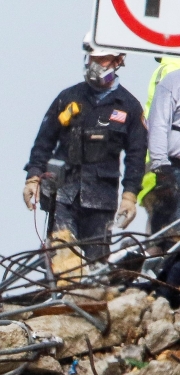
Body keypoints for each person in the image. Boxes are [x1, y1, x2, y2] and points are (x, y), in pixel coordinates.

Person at [23, 34, 147, 268]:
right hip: (63, 195)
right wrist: (33, 177)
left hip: (101, 200)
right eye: (93, 58)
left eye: (103, 59)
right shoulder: (68, 97)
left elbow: (136, 156)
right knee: (62, 256)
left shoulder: (129, 106)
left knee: (96, 265)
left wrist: (130, 196)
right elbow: (44, 142)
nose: (96, 64)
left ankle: (87, 300)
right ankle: (60, 299)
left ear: (118, 60)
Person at [145, 60, 180, 241]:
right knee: (171, 240)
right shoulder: (173, 81)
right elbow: (158, 124)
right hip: (175, 169)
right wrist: (161, 167)